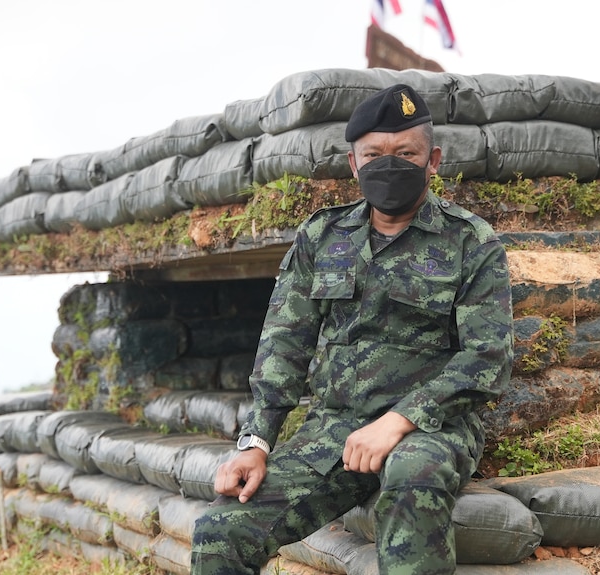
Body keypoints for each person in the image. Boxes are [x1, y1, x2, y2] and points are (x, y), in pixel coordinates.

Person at [190, 84, 514, 575]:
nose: (390, 164)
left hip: (431, 428)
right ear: (354, 163)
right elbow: (284, 344)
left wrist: (396, 422)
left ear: (434, 161)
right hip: (336, 427)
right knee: (223, 529)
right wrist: (255, 443)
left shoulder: (471, 241)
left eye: (406, 153)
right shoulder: (321, 236)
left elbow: (487, 358)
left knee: (410, 478)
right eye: (375, 154)